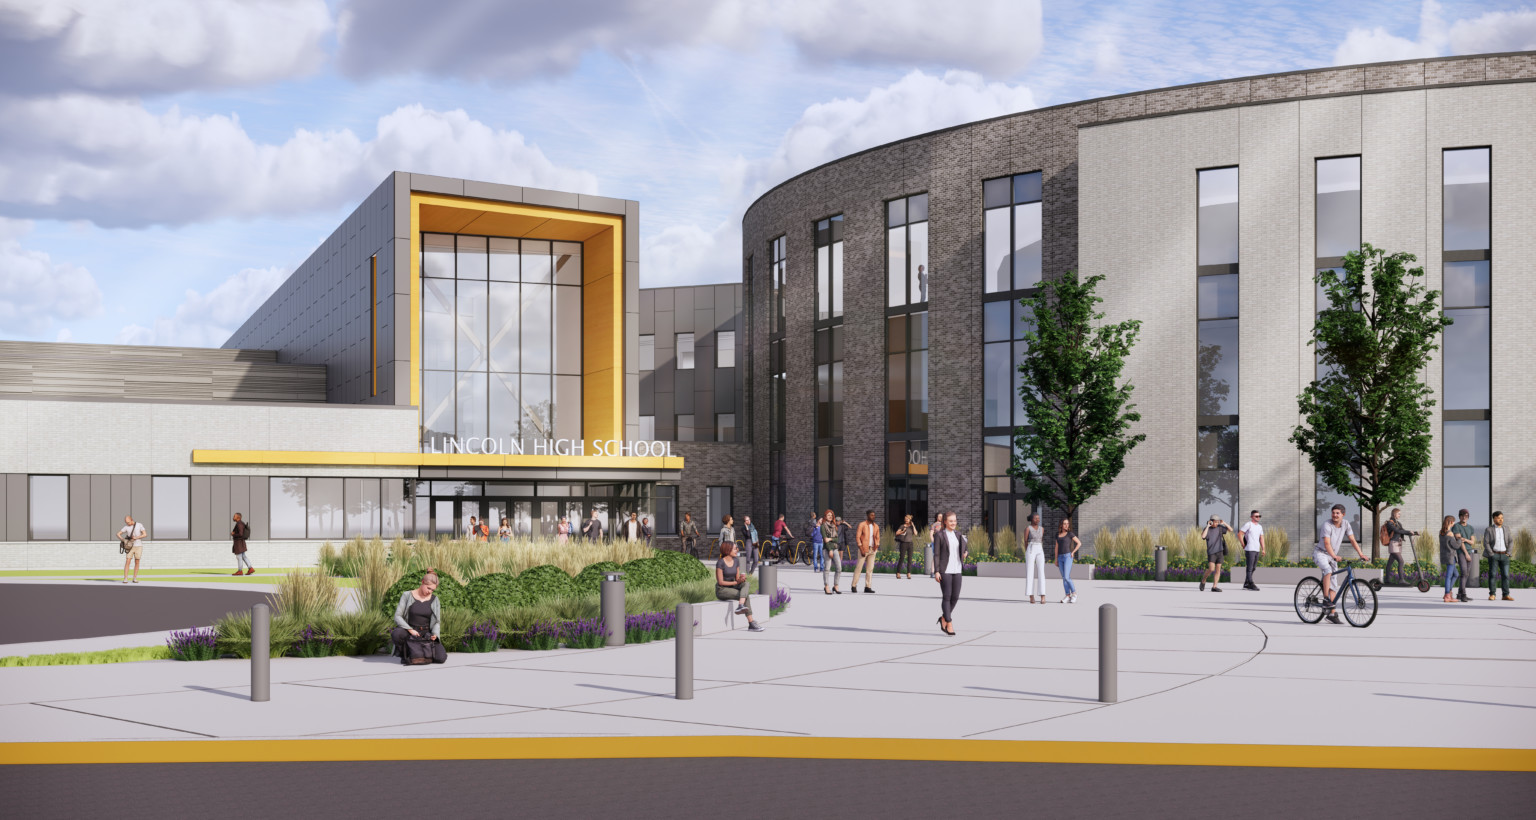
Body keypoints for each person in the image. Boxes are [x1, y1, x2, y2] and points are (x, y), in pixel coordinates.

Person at [1316, 504, 1368, 624]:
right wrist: (1334, 556)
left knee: (1334, 586)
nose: (1334, 515)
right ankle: (1325, 599)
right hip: (1321, 553)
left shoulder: (1346, 524)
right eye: (1333, 513)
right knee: (1328, 571)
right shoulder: (1326, 525)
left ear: (1343, 514)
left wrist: (1361, 554)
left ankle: (1332, 614)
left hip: (1333, 555)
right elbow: (1327, 544)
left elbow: (1352, 540)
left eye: (1337, 513)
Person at [391, 568, 446, 664]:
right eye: (428, 588)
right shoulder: (407, 595)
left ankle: (419, 653)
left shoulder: (435, 600)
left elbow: (437, 621)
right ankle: (406, 653)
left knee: (441, 658)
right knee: (397, 633)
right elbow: (398, 616)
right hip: (410, 631)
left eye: (433, 590)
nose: (430, 592)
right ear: (422, 582)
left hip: (426, 633)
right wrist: (410, 630)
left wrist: (435, 635)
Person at [932, 511, 968, 635]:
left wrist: (965, 553)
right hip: (945, 570)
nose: (953, 523)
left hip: (957, 569)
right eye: (951, 521)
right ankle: (949, 622)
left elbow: (964, 547)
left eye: (955, 521)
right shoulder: (939, 535)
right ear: (945, 522)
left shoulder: (958, 534)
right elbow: (936, 554)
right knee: (947, 596)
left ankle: (943, 618)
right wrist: (936, 571)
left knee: (955, 597)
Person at [716, 540, 764, 632]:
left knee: (746, 583)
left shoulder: (736, 561)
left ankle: (741, 605)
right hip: (722, 590)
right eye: (734, 548)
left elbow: (737, 578)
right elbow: (721, 582)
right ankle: (751, 623)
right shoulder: (720, 563)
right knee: (745, 596)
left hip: (733, 587)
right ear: (727, 550)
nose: (737, 550)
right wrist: (736, 583)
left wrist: (740, 580)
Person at [1484, 511, 1514, 601]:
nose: (1501, 520)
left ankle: (1505, 595)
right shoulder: (1489, 529)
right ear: (1494, 519)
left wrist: (1508, 552)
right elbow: (1486, 542)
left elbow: (1511, 541)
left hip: (1505, 555)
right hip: (1494, 555)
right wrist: (1491, 554)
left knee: (1506, 575)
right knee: (1492, 575)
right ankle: (1492, 594)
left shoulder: (1506, 528)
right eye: (1499, 518)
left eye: (1502, 518)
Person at [1382, 508, 1416, 586]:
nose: (1400, 515)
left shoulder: (1398, 523)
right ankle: (1401, 580)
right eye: (1398, 514)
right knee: (1401, 561)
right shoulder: (1390, 523)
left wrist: (1413, 532)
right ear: (1394, 514)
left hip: (1398, 544)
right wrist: (1407, 532)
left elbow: (1402, 530)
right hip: (1393, 544)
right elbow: (1397, 531)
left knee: (1389, 563)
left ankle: (1387, 579)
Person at [1199, 516, 1232, 592]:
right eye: (1215, 522)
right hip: (1211, 552)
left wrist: (1224, 523)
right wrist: (1208, 526)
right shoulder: (1207, 529)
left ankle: (1214, 586)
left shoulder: (1220, 527)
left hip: (1220, 551)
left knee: (1218, 570)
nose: (1217, 523)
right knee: (1211, 569)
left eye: (1218, 522)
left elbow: (1231, 530)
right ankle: (1203, 580)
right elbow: (1203, 536)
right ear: (1211, 521)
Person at [1440, 516, 1468, 603]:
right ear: (1451, 522)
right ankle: (1447, 595)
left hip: (1444, 556)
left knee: (1455, 574)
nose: (1454, 523)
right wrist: (1460, 540)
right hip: (1451, 557)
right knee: (1449, 576)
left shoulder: (1441, 532)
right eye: (1453, 522)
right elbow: (1455, 546)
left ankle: (1448, 592)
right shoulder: (1450, 533)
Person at [1451, 509, 1476, 603]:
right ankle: (1463, 594)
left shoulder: (1471, 528)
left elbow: (1473, 542)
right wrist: (1466, 554)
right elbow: (1460, 541)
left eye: (1466, 516)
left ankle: (1459, 594)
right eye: (1462, 515)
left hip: (1470, 551)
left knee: (1466, 574)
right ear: (1459, 516)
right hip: (1462, 552)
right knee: (1464, 572)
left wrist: (1465, 539)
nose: (1464, 517)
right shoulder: (1456, 526)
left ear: (1468, 517)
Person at [1055, 518, 1082, 603]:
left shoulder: (1070, 534)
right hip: (1060, 557)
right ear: (1061, 525)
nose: (1066, 525)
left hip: (1067, 557)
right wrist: (1056, 559)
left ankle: (1074, 593)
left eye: (1067, 524)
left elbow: (1079, 543)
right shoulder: (1058, 534)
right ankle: (1067, 595)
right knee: (1064, 578)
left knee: (1066, 577)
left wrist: (1073, 552)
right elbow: (1056, 547)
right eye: (1064, 524)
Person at [853, 510, 880, 593]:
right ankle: (853, 585)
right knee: (859, 568)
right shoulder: (862, 525)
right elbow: (857, 537)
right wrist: (861, 548)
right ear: (867, 515)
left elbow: (877, 537)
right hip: (863, 549)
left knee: (870, 569)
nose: (873, 517)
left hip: (872, 550)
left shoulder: (876, 526)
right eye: (871, 515)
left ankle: (867, 587)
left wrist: (877, 546)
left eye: (874, 515)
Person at [1238, 510, 1264, 591]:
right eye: (1256, 516)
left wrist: (1263, 549)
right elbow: (1240, 534)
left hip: (1256, 549)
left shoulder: (1260, 527)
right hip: (1250, 549)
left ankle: (1246, 583)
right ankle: (1251, 583)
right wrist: (1243, 544)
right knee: (1249, 567)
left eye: (1259, 516)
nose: (1258, 517)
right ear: (1252, 517)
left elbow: (1261, 538)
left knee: (1254, 567)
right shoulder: (1248, 524)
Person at [1023, 512, 1046, 604]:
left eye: (1038, 518)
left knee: (1041, 572)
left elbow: (1041, 540)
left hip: (1040, 549)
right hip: (1031, 549)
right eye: (1036, 518)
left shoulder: (1042, 529)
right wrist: (1027, 551)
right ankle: (1031, 596)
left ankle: (1042, 595)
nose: (1038, 520)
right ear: (1032, 519)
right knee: (1030, 572)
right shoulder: (1028, 528)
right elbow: (1025, 541)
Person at [118, 514, 147, 583]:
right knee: (127, 561)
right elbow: (118, 533)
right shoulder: (126, 527)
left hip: (138, 546)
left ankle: (134, 578)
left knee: (137, 562)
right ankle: (125, 579)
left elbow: (145, 534)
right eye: (126, 522)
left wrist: (136, 538)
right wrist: (123, 540)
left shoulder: (139, 525)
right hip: (129, 546)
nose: (127, 523)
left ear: (132, 520)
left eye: (128, 522)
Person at [820, 510, 842, 594]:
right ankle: (826, 586)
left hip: (835, 549)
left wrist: (830, 539)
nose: (830, 516)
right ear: (825, 516)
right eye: (828, 515)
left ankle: (836, 586)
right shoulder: (823, 526)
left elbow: (837, 539)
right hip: (827, 549)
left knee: (839, 568)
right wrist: (830, 550)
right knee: (827, 569)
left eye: (831, 515)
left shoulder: (834, 526)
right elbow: (825, 540)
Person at [894, 514, 916, 580]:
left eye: (907, 519)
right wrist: (902, 531)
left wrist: (913, 525)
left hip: (910, 544)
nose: (906, 520)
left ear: (910, 520)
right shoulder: (902, 526)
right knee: (902, 558)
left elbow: (915, 533)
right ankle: (898, 573)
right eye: (905, 519)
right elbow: (897, 533)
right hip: (903, 543)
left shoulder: (911, 527)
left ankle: (908, 573)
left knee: (910, 559)